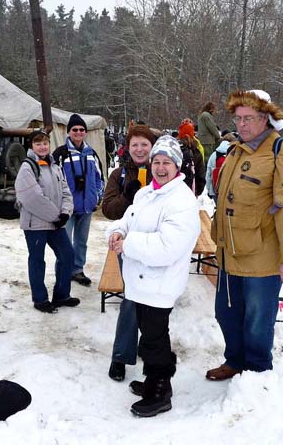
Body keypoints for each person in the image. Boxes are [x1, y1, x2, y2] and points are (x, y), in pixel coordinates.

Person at [207, 89, 283, 381]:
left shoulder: (281, 153)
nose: (242, 124)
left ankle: (256, 373)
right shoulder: (235, 150)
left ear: (266, 119)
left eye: (248, 118)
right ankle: (235, 361)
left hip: (262, 259)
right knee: (226, 314)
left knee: (257, 322)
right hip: (230, 254)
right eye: (238, 118)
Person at [107, 135, 200, 417]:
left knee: (154, 337)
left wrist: (128, 244)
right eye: (156, 161)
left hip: (160, 283)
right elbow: (128, 220)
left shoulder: (182, 201)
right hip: (140, 280)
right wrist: (118, 231)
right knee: (149, 333)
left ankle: (160, 391)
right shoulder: (146, 193)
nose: (160, 168)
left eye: (166, 163)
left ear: (177, 166)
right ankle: (153, 379)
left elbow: (168, 248)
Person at [102, 124, 157, 381]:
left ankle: (148, 345)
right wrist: (127, 196)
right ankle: (121, 355)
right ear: (128, 147)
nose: (139, 149)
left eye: (144, 144)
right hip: (129, 246)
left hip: (157, 245)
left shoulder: (163, 171)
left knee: (154, 300)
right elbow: (108, 210)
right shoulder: (119, 174)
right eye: (135, 144)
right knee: (132, 299)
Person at [15, 130, 80, 313]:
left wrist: (65, 213)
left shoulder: (54, 165)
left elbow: (66, 191)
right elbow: (32, 198)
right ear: (31, 146)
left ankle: (62, 295)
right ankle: (40, 299)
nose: (42, 147)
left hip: (56, 222)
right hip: (35, 224)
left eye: (45, 143)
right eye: (38, 144)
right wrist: (56, 217)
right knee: (37, 260)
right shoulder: (27, 167)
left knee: (67, 255)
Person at [53, 114, 105, 286]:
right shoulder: (60, 154)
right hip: (67, 208)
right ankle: (63, 272)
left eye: (82, 129)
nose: (78, 132)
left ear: (86, 132)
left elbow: (100, 177)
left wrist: (97, 196)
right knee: (65, 243)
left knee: (81, 242)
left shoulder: (91, 153)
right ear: (68, 132)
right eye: (74, 129)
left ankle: (77, 270)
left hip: (87, 206)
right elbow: (53, 180)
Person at [205, 132, 238, 203]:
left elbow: (208, 174)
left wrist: (209, 190)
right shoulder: (236, 153)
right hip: (231, 191)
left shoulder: (214, 155)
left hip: (215, 189)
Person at [177, 118, 206, 197]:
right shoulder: (196, 149)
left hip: (175, 189)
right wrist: (199, 190)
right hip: (191, 189)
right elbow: (200, 173)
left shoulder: (174, 147)